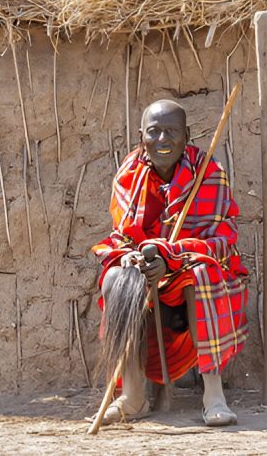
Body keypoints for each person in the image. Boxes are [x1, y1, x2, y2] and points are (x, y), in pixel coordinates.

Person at [92, 100, 248, 427]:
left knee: (202, 272)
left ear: (187, 136)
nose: (163, 139)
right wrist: (134, 256)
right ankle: (133, 396)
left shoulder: (208, 173)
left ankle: (213, 395)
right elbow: (122, 235)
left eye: (172, 132)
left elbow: (220, 241)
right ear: (141, 137)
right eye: (154, 132)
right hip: (151, 273)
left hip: (191, 267)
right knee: (116, 279)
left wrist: (170, 256)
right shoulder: (130, 174)